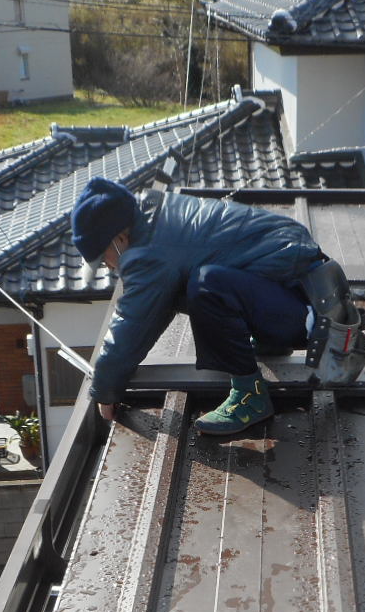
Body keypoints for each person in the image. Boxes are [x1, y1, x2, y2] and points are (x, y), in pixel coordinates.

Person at [71, 176, 335, 436]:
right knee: (187, 288)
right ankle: (271, 341)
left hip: (309, 313)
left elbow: (133, 323)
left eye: (103, 258)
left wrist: (104, 390)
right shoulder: (156, 212)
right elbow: (156, 310)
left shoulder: (148, 252)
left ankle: (250, 396)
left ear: (119, 238)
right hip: (305, 293)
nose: (109, 267)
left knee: (206, 285)